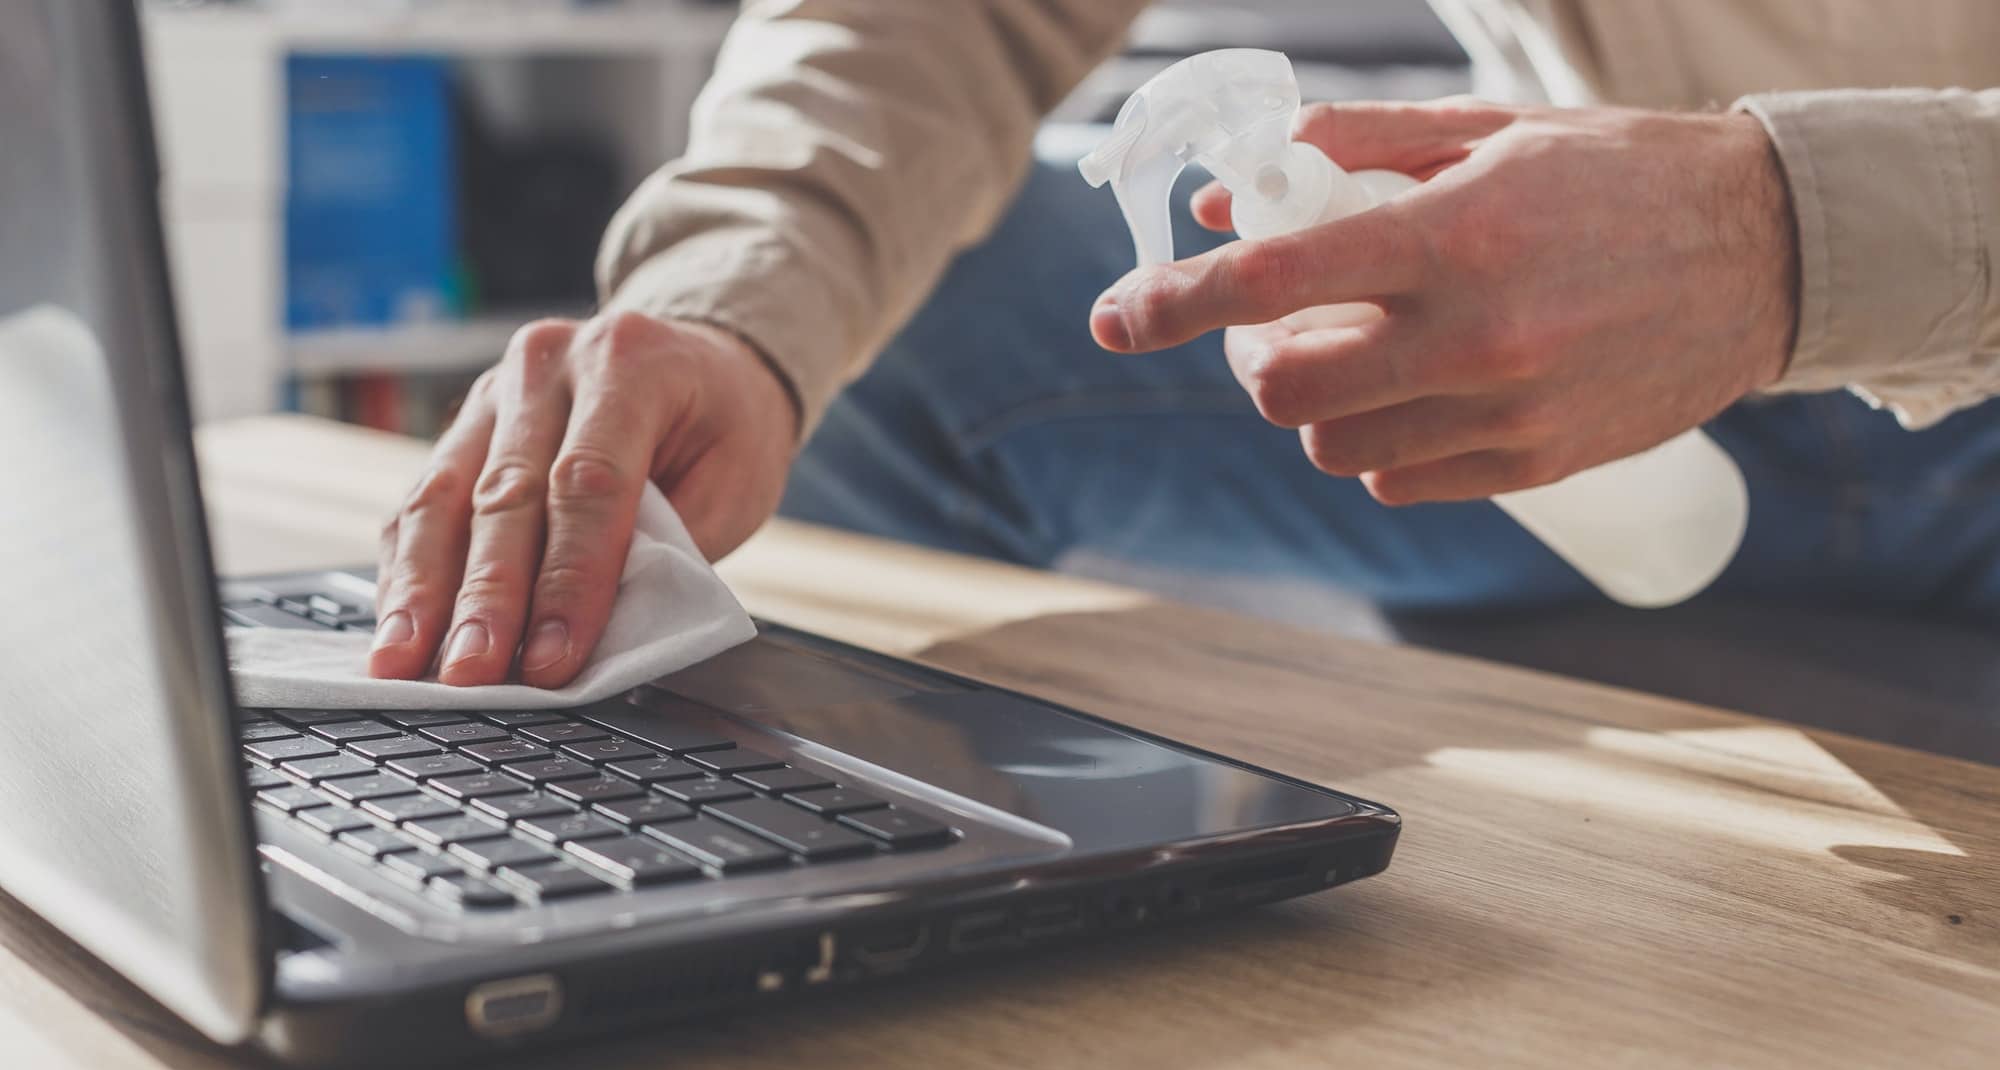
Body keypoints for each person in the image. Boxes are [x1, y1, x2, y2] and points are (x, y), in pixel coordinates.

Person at [368, 1, 2000, 689]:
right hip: (1575, 346)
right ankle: (799, 897)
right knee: (854, 348)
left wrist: (1779, 234)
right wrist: (734, 299)